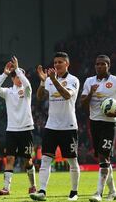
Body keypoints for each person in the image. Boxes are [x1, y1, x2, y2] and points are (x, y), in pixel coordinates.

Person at [30, 52, 80, 201]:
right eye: (55, 62)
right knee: (45, 159)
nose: (57, 64)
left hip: (69, 126)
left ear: (67, 64)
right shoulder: (50, 80)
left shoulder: (73, 80)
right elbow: (39, 97)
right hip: (51, 126)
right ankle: (42, 191)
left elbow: (67, 95)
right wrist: (43, 81)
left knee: (72, 161)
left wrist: (53, 80)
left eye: (60, 62)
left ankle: (74, 192)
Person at [80, 55, 116, 202]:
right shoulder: (89, 81)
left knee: (103, 156)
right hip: (94, 123)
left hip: (110, 123)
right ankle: (113, 191)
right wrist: (91, 93)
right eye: (97, 64)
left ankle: (99, 193)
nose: (99, 66)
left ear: (108, 65)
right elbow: (83, 104)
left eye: (102, 64)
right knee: (103, 159)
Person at [0, 56, 36, 196]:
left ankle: (33, 186)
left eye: (18, 75)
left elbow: (28, 85)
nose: (16, 77)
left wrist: (17, 69)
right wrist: (5, 73)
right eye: (14, 76)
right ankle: (6, 188)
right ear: (12, 79)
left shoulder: (27, 91)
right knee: (10, 158)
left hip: (26, 129)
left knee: (27, 160)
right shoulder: (8, 92)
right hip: (11, 130)